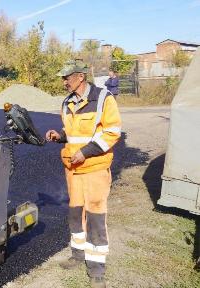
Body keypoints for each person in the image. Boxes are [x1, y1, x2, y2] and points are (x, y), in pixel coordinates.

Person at [45, 60, 121, 288]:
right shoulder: (67, 102)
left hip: (95, 168)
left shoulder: (103, 98)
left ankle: (97, 269)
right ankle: (78, 255)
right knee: (75, 213)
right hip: (73, 169)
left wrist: (86, 152)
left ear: (79, 76)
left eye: (66, 77)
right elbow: (72, 132)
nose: (63, 81)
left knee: (96, 215)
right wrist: (59, 136)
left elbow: (112, 132)